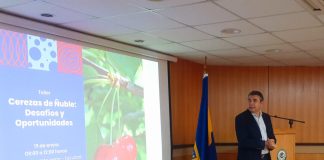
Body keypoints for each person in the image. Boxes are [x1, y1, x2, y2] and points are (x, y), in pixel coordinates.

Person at [235, 90, 276, 160]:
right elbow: (243, 141)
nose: (251, 103)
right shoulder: (241, 118)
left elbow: (271, 136)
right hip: (249, 157)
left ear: (261, 103)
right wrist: (264, 144)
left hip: (266, 157)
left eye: (254, 100)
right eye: (249, 100)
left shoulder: (266, 117)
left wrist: (272, 142)